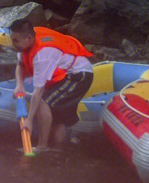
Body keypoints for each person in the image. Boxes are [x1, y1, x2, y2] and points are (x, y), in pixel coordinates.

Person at [10, 19, 95, 152]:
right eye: (12, 39)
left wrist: (29, 120)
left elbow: (38, 92)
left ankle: (42, 147)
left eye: (15, 41)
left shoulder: (43, 55)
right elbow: (21, 64)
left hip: (78, 75)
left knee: (44, 102)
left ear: (28, 38)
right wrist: (19, 85)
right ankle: (57, 151)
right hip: (65, 73)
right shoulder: (26, 42)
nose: (13, 44)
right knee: (57, 115)